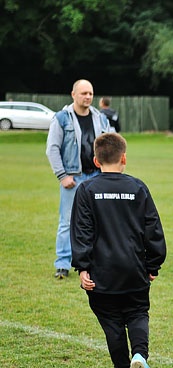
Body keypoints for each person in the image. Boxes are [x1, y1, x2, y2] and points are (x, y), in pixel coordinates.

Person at [70, 133, 166, 368]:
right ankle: (139, 355)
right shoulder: (138, 188)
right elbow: (153, 229)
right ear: (124, 158)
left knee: (111, 323)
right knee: (137, 313)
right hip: (134, 269)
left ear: (95, 160)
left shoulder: (86, 190)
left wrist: (83, 267)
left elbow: (82, 231)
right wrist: (153, 264)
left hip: (101, 274)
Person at [46, 79, 113, 280]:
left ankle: (96, 261)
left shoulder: (100, 119)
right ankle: (63, 264)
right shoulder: (62, 119)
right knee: (67, 221)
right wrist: (62, 175)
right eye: (83, 93)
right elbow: (52, 148)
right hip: (73, 179)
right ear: (73, 94)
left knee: (99, 221)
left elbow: (112, 142)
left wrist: (108, 172)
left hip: (97, 177)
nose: (87, 97)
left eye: (90, 93)